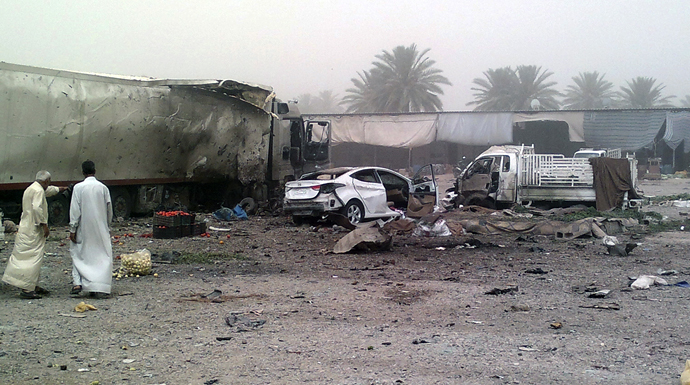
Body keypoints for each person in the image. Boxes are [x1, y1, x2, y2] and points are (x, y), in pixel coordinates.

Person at [2, 170, 66, 299]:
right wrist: (44, 225)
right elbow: (37, 207)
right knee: (33, 259)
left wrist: (60, 189)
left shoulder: (32, 188)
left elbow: (48, 191)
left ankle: (31, 284)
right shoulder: (38, 191)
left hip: (25, 228)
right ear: (46, 181)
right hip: (34, 229)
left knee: (23, 257)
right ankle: (27, 289)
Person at [69, 160, 113, 299]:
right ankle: (99, 285)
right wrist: (106, 225)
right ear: (95, 171)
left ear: (83, 172)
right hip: (100, 228)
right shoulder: (103, 188)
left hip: (84, 227)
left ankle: (78, 283)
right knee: (101, 255)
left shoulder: (78, 188)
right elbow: (109, 210)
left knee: (78, 253)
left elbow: (75, 210)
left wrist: (73, 228)